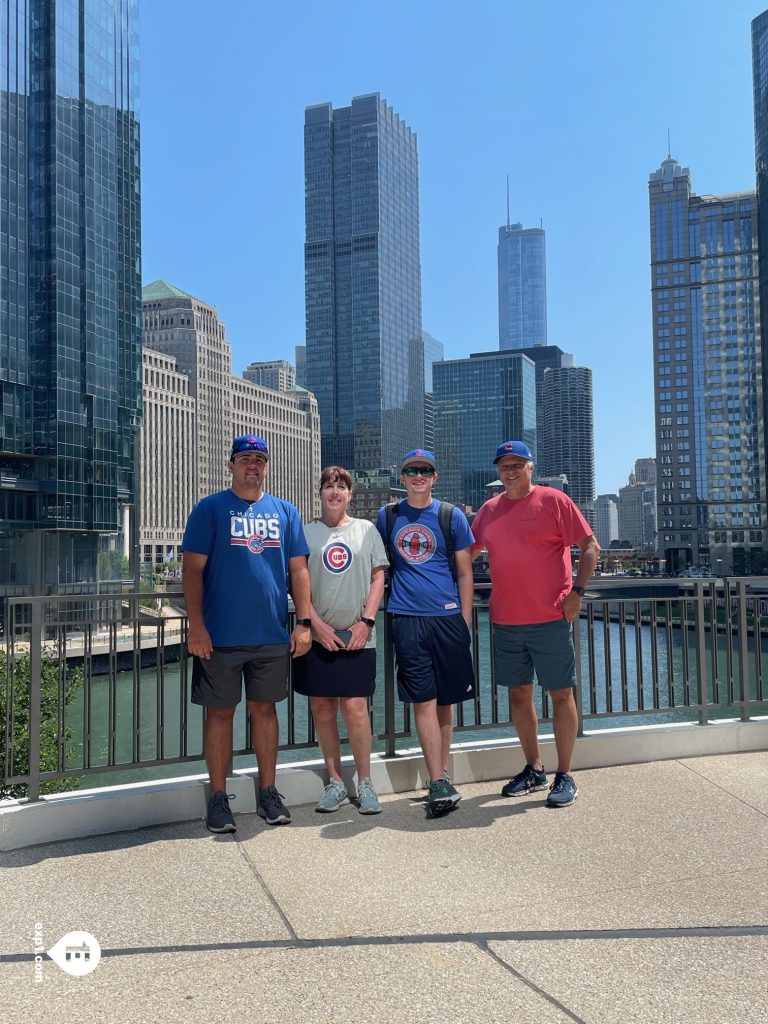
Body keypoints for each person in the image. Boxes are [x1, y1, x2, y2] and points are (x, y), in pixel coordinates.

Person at [182, 434, 312, 833]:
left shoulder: (286, 512)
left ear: (267, 466)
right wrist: (197, 626)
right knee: (219, 714)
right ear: (231, 466)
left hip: (271, 634)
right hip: (219, 636)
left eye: (259, 459)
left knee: (265, 712)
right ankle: (218, 798)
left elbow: (298, 571)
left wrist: (303, 622)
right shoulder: (210, 509)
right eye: (244, 459)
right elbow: (192, 570)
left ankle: (268, 793)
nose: (252, 465)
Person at [471, 440, 600, 807]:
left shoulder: (554, 501)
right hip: (506, 619)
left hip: (551, 618)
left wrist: (577, 592)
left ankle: (565, 774)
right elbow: (466, 552)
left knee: (561, 694)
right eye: (503, 466)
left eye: (517, 464)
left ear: (531, 467)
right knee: (519, 695)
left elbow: (591, 546)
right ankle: (534, 768)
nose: (509, 471)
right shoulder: (489, 510)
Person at [376, 449, 476, 818]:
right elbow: (377, 566)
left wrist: (464, 620)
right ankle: (437, 780)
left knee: (445, 701)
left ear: (435, 477)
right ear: (402, 477)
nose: (418, 475)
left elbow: (465, 573)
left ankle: (441, 776)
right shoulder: (387, 516)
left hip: (448, 617)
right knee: (423, 700)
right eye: (411, 470)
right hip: (406, 617)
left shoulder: (452, 516)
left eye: (425, 470)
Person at [292, 467, 389, 814]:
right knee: (322, 709)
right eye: (328, 486)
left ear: (351, 495)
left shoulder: (367, 531)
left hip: (357, 636)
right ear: (320, 493)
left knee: (355, 709)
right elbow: (297, 583)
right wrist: (315, 624)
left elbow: (379, 578)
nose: (335, 492)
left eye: (341, 487)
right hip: (319, 638)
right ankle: (334, 782)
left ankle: (365, 783)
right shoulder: (306, 533)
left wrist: (366, 621)